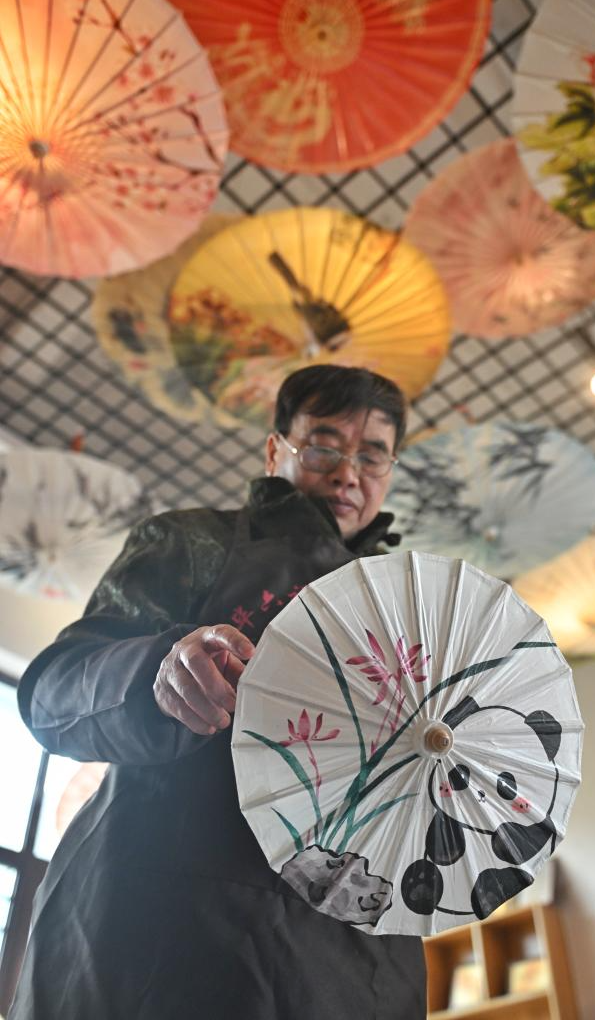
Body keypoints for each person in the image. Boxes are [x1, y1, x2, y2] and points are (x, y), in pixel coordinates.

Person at [9, 364, 427, 1020]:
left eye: (372, 455)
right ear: (274, 450)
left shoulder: (412, 612)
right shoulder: (192, 540)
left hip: (346, 957)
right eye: (324, 445)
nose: (349, 474)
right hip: (167, 924)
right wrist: (156, 670)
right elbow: (53, 694)